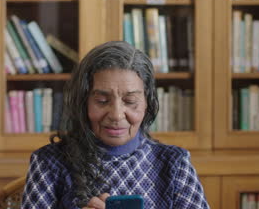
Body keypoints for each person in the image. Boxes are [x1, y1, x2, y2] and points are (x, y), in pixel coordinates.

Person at [21, 41, 209, 209]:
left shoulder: (174, 164)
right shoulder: (48, 163)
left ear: (148, 103)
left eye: (130, 101)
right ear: (83, 102)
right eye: (102, 101)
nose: (117, 115)